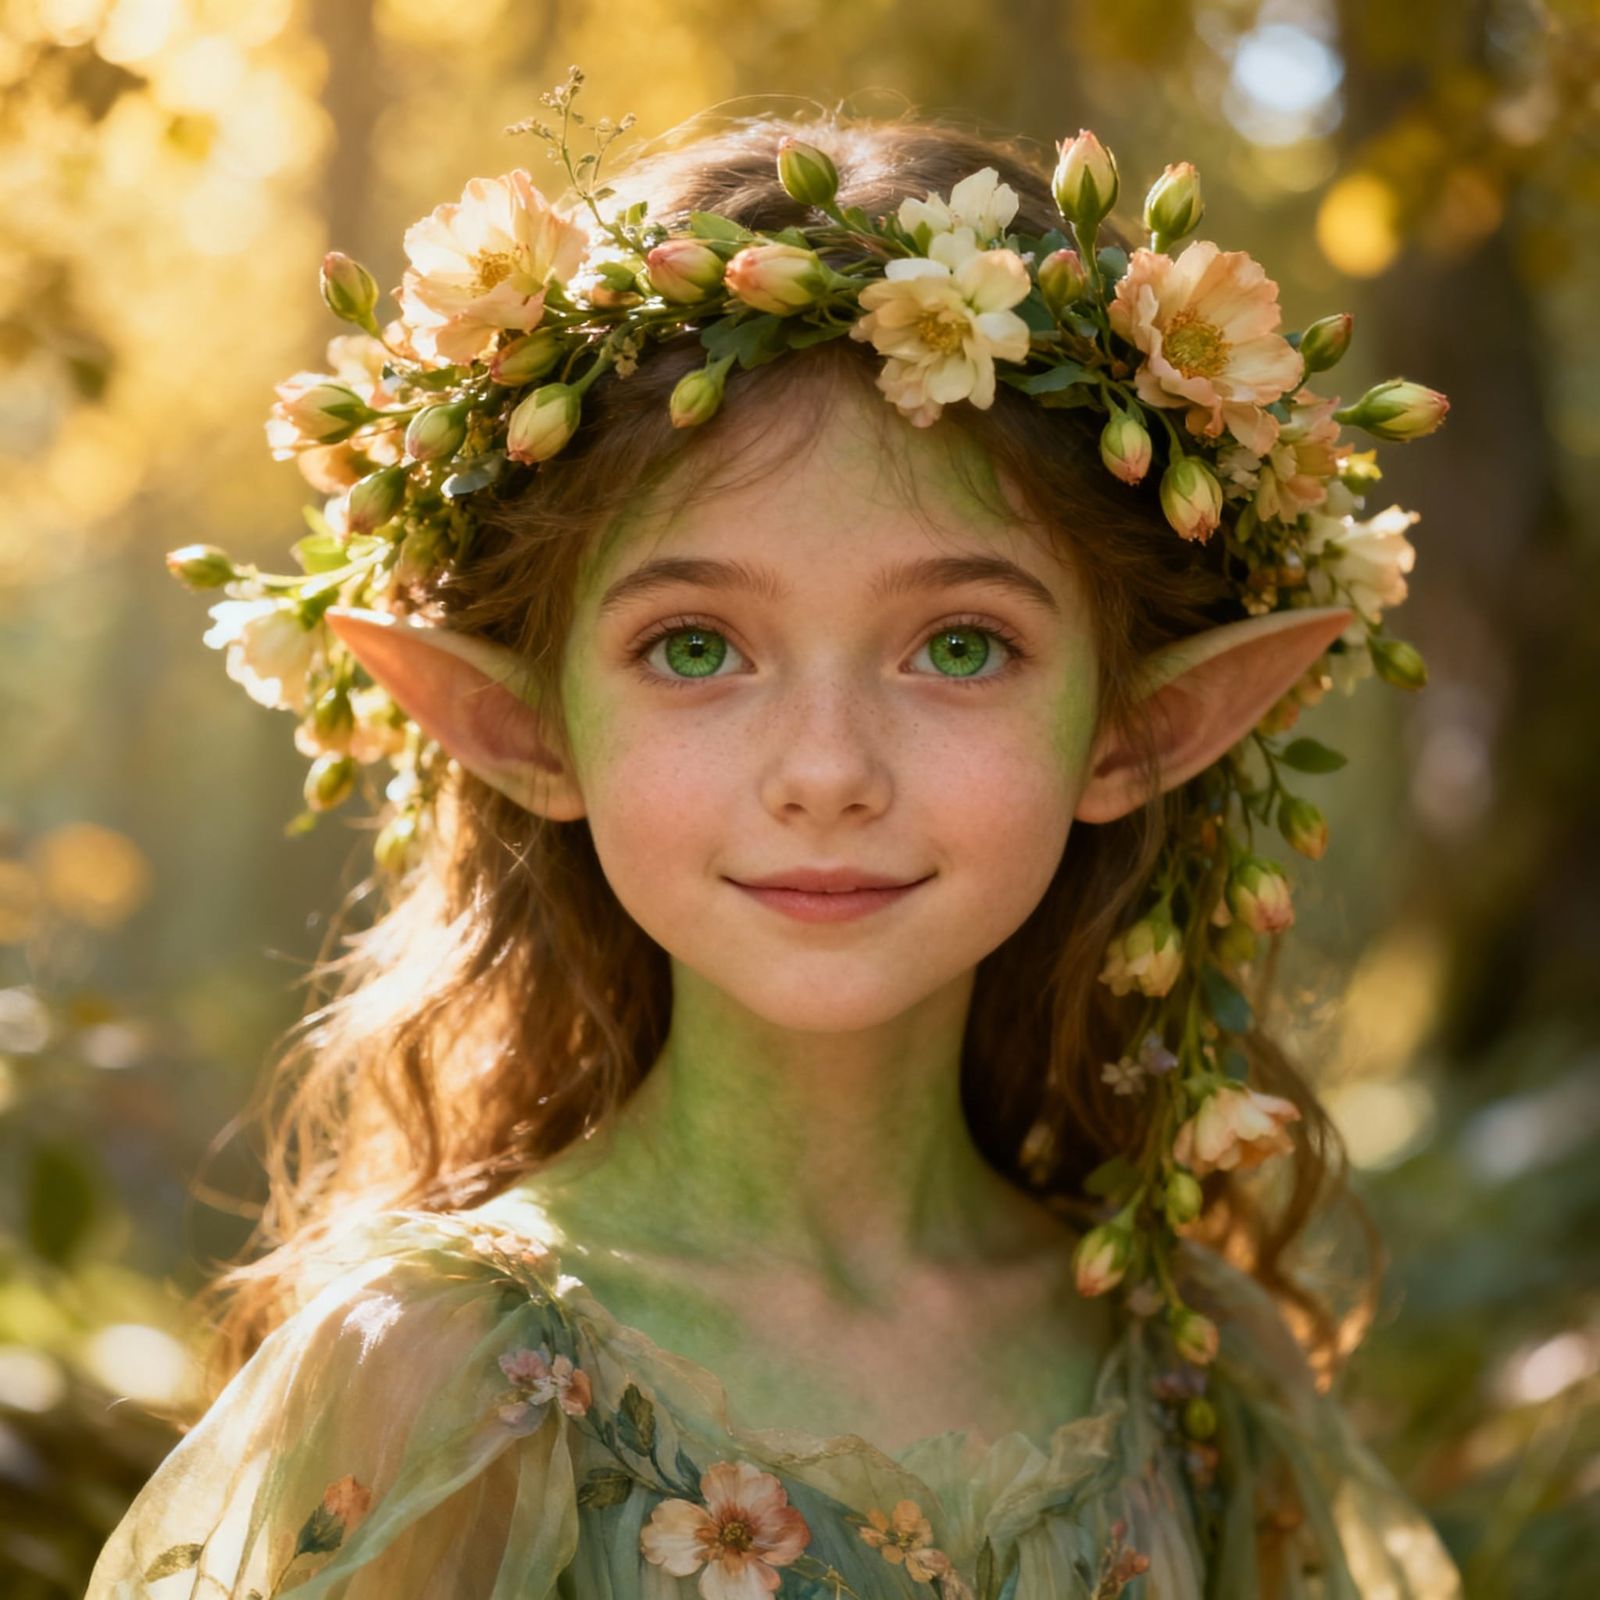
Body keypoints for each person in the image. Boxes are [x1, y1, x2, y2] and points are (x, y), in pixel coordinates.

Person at [93, 74, 1463, 1599]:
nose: (826, 773)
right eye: (694, 648)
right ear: (524, 728)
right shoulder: (434, 1373)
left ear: (1137, 728)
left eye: (960, 647)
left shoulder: (1194, 1371)